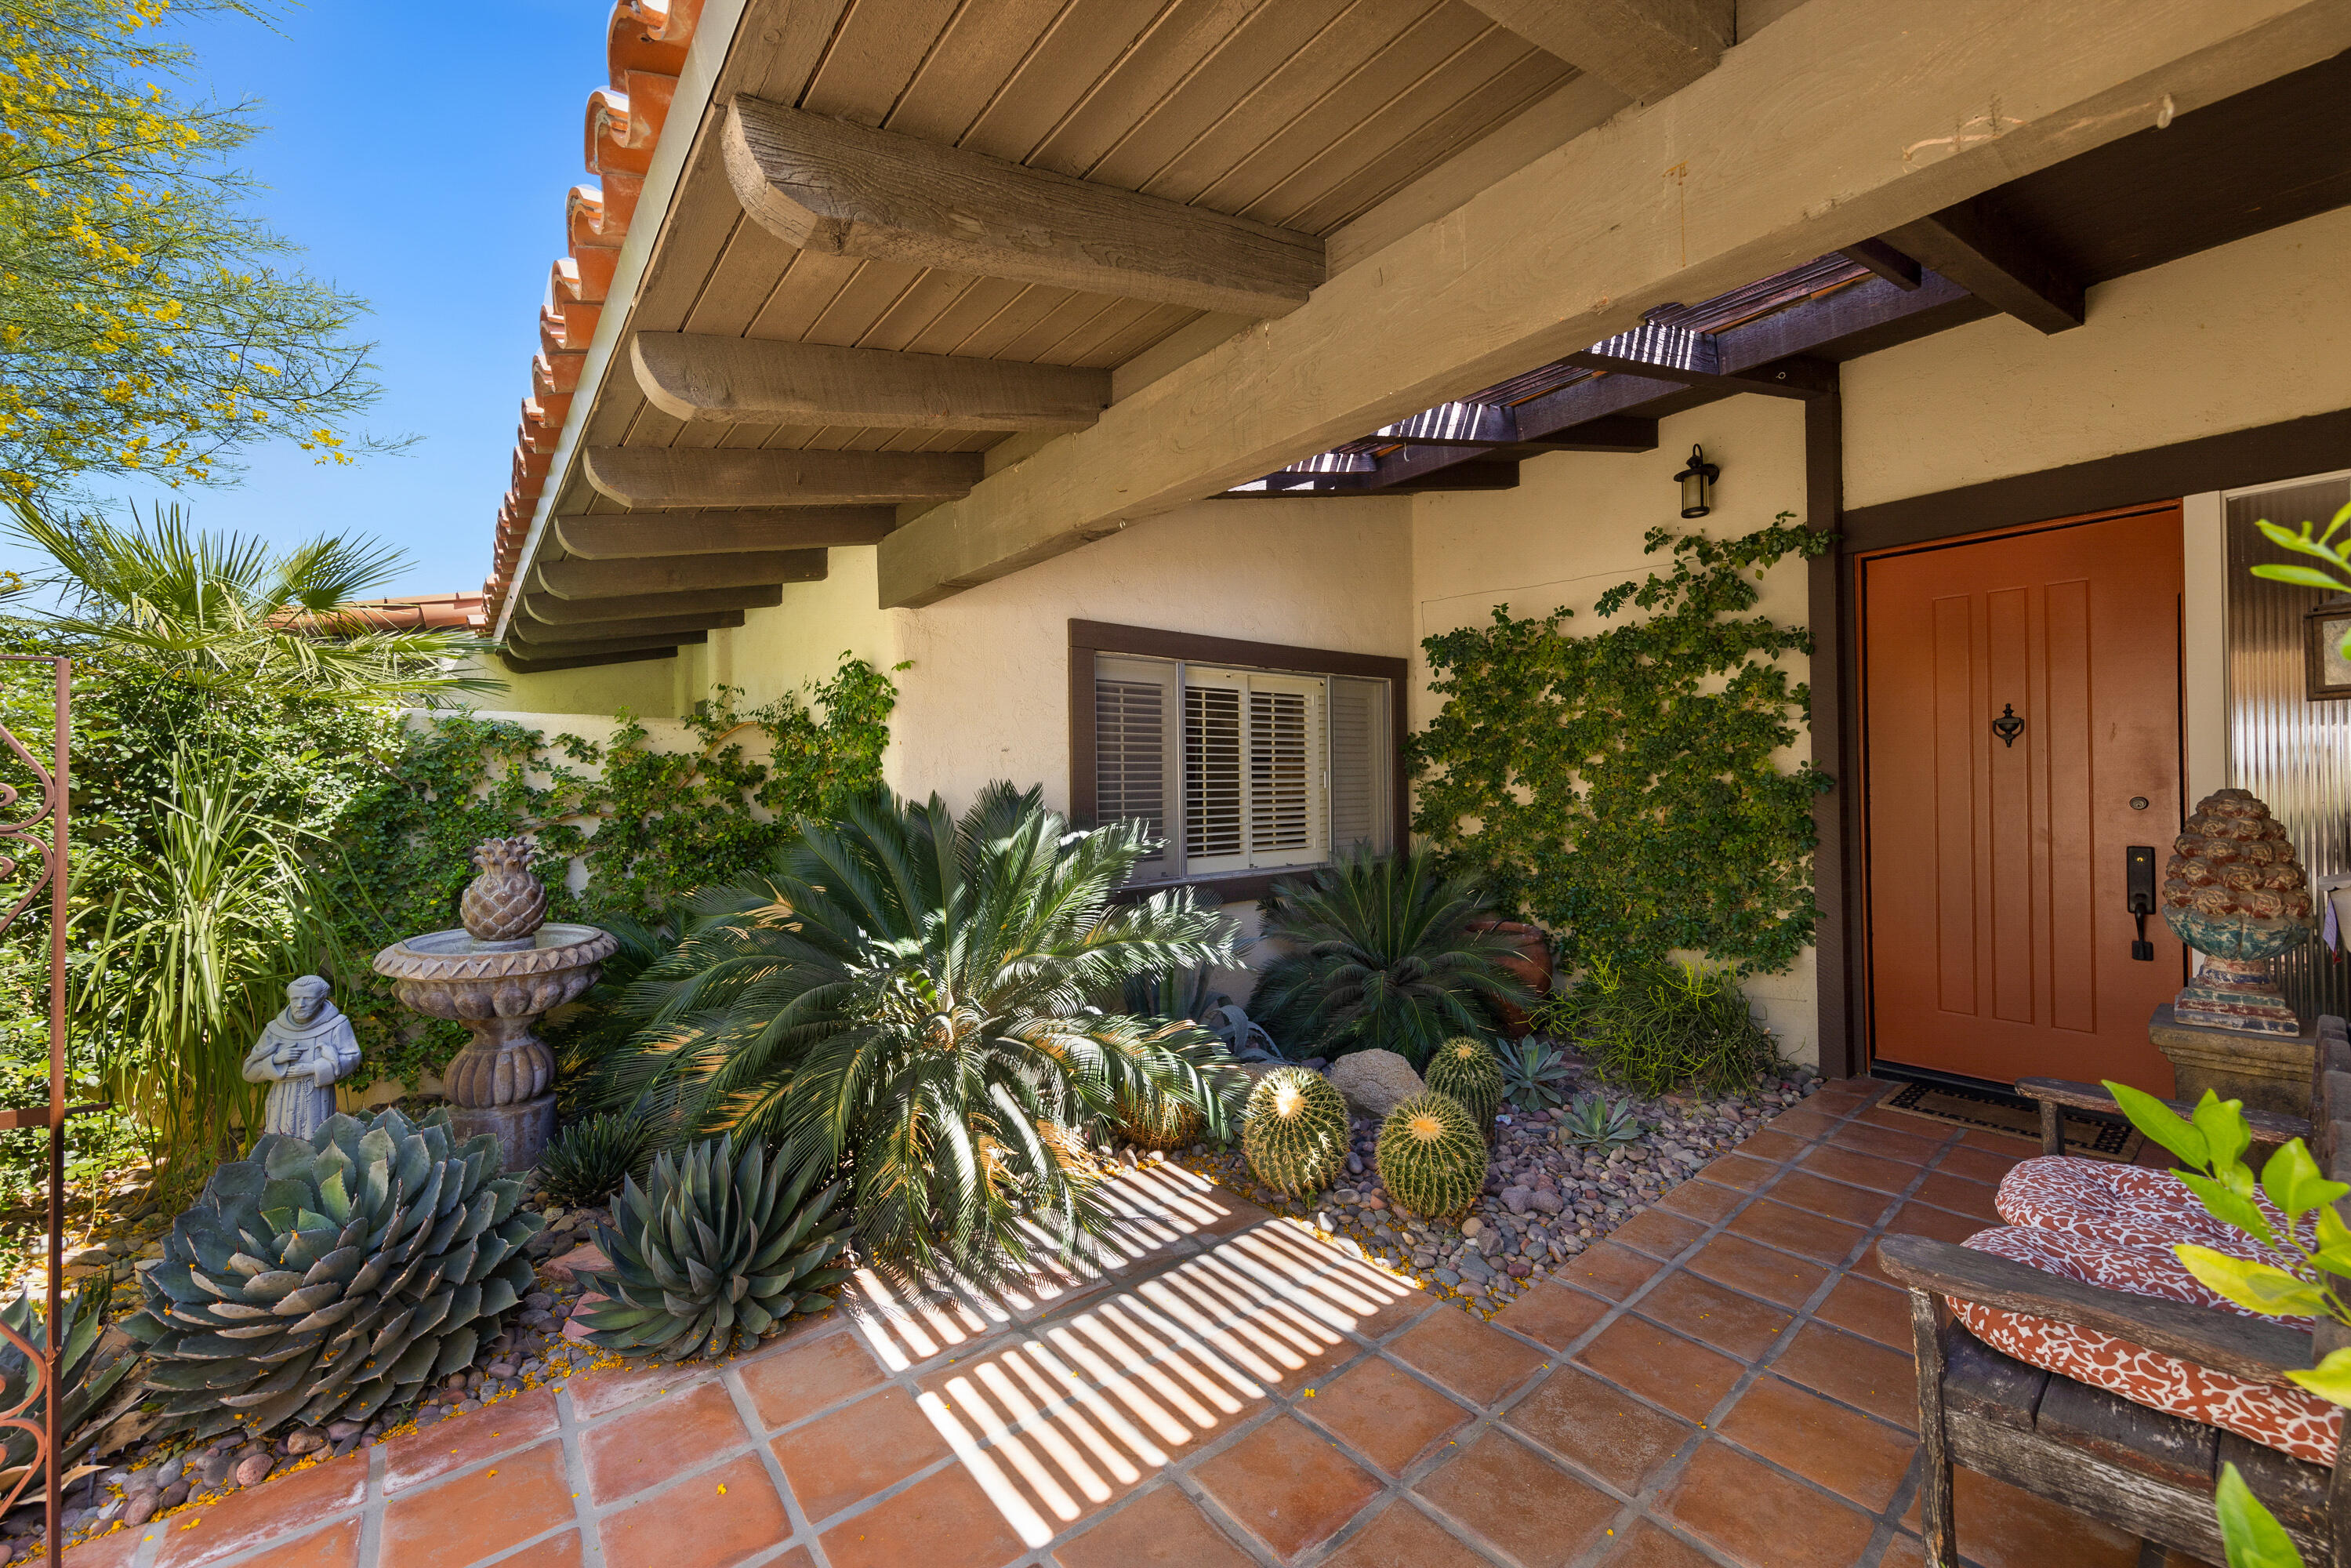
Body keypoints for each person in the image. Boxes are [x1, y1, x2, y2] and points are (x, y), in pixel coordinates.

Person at [241, 976, 362, 1140]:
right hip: (281, 1100)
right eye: (295, 999)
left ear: (321, 1000)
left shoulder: (336, 1025)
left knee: (315, 1143)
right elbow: (249, 1071)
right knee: (279, 1146)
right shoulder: (274, 1030)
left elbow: (352, 1058)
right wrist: (275, 1060)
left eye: (309, 999)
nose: (300, 1005)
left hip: (317, 1098)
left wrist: (313, 1068)